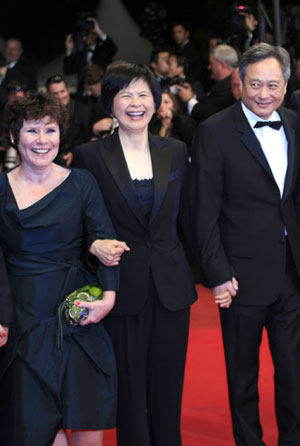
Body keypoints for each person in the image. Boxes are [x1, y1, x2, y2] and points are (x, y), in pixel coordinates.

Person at [72, 61, 197, 446]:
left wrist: (217, 270)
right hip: (120, 288)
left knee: (168, 388)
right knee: (128, 392)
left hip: (172, 288)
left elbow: (190, 219)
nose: (136, 102)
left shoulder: (175, 151)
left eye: (144, 93)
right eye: (125, 94)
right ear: (110, 103)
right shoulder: (90, 156)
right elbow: (77, 222)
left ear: (157, 101)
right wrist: (92, 244)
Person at [0, 91, 129, 446]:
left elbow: (104, 240)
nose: (43, 141)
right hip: (24, 322)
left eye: (50, 130)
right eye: (32, 131)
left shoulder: (82, 182)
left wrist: (108, 297)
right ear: (13, 136)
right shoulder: (0, 190)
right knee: (37, 424)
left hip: (77, 317)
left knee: (87, 414)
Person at [190, 42, 300, 445]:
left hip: (291, 273)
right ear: (239, 82)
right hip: (239, 278)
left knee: (293, 372)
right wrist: (217, 273)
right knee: (242, 375)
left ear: (286, 85)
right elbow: (203, 211)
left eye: (273, 85)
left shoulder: (294, 123)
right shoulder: (214, 131)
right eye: (255, 84)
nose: (264, 94)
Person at [176, 43, 238, 122]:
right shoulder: (221, 84)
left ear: (222, 65)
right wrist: (192, 96)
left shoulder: (228, 87)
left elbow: (210, 116)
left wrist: (189, 99)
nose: (209, 67)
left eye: (211, 63)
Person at [46, 74, 93, 166]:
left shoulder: (84, 109)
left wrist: (74, 153)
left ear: (68, 89)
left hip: (79, 160)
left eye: (62, 91)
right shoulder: (45, 113)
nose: (60, 96)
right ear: (49, 94)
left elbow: (89, 139)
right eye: (55, 93)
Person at [64, 16, 118, 92]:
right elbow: (68, 70)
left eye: (87, 34)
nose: (84, 38)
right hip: (84, 95)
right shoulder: (80, 55)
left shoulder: (103, 51)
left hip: (102, 91)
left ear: (94, 35)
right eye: (82, 35)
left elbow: (113, 49)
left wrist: (99, 31)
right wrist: (69, 50)